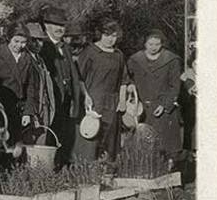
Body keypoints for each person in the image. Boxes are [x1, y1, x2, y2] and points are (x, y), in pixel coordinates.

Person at [74, 20, 132, 164]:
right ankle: (86, 172)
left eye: (114, 36)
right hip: (93, 100)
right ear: (100, 34)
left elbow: (124, 80)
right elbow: (79, 78)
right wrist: (86, 96)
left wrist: (122, 101)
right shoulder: (90, 52)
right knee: (91, 138)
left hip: (112, 102)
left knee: (110, 139)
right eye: (107, 35)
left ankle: (107, 172)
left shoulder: (118, 55)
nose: (110, 39)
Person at [0, 24, 40, 173]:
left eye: (23, 42)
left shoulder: (28, 58)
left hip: (18, 109)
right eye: (16, 41)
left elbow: (31, 87)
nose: (19, 46)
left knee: (17, 146)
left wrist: (28, 111)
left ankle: (13, 177)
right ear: (8, 38)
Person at [37, 7, 86, 168]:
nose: (60, 29)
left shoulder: (65, 47)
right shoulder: (42, 47)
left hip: (66, 101)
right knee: (49, 137)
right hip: (50, 102)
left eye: (62, 26)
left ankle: (61, 168)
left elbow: (74, 75)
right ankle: (48, 170)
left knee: (65, 136)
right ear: (46, 26)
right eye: (56, 25)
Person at [126, 30, 183, 160]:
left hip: (163, 110)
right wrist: (130, 85)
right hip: (142, 110)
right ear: (144, 43)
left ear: (162, 44)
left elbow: (175, 86)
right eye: (150, 44)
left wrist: (165, 105)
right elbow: (127, 78)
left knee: (165, 147)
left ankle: (167, 172)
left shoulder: (171, 60)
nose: (153, 47)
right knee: (143, 145)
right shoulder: (135, 60)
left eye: (157, 44)